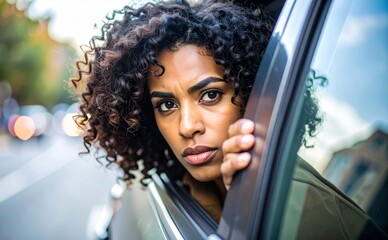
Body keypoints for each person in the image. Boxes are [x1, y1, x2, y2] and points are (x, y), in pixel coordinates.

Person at [70, 0, 274, 222]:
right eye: (167, 105)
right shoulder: (184, 185)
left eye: (210, 95)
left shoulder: (294, 203)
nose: (187, 127)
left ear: (251, 92)